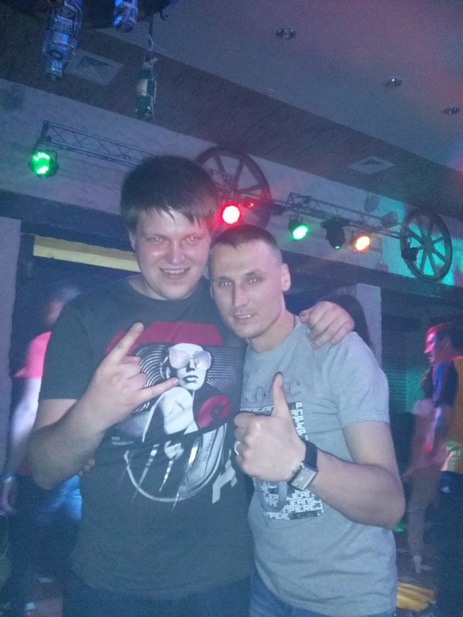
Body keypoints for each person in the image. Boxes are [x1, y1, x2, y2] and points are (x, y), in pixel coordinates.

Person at [27, 155, 354, 617]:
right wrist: (95, 412)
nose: (176, 257)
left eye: (191, 239)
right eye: (157, 239)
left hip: (220, 581)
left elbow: (285, 325)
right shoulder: (86, 318)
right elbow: (44, 470)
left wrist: (329, 315)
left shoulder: (230, 304)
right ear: (132, 237)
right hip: (109, 582)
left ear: (209, 238)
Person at [209, 223, 405, 617]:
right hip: (266, 588)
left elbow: (390, 505)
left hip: (348, 602)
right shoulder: (228, 361)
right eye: (224, 283)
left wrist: (299, 463)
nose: (238, 299)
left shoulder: (335, 349)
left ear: (283, 277)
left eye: (253, 279)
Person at [0, 281, 82, 617]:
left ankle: (16, 604)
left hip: (42, 462)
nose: (45, 312)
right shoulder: (95, 346)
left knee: (24, 539)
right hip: (82, 462)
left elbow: (28, 409)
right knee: (76, 541)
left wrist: (9, 472)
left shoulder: (44, 343)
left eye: (50, 306)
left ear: (60, 309)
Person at [418, 322, 463, 617]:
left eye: (431, 343)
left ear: (446, 342)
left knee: (451, 544)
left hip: (457, 469)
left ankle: (448, 608)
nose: (427, 351)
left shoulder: (449, 367)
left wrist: (431, 453)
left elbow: (443, 418)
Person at [402, 368, 445, 575]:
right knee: (444, 510)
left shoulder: (423, 405)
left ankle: (416, 557)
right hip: (448, 463)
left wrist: (413, 465)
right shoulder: (447, 405)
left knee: (417, 509)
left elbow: (419, 437)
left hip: (426, 464)